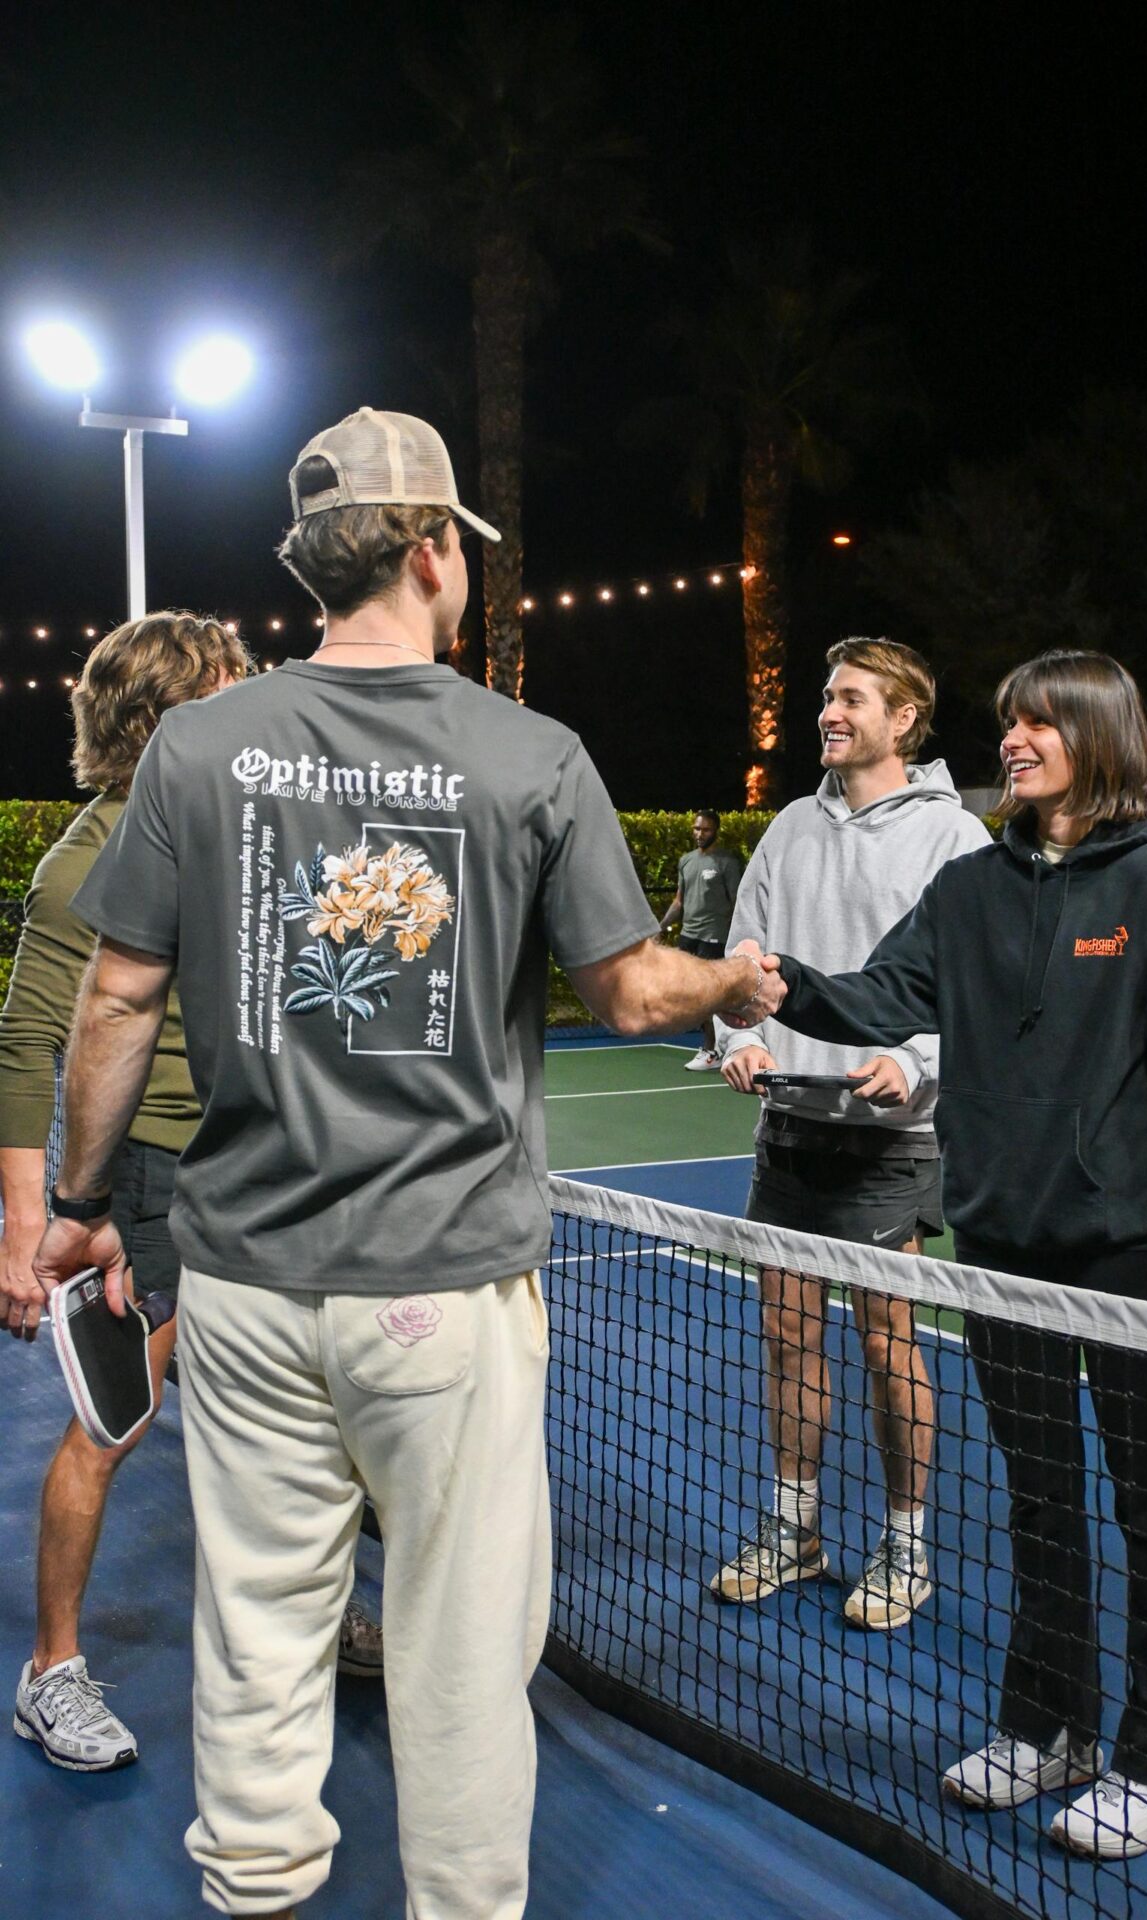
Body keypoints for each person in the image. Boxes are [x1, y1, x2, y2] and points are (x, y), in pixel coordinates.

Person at [30, 406, 772, 1920]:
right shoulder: (534, 756)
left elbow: (114, 998)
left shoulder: (198, 746)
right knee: (460, 1647)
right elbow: (634, 990)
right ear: (435, 551)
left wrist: (77, 1207)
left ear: (314, 565)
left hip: (243, 1285)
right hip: (448, 1295)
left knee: (257, 1629)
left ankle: (251, 1889)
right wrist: (738, 980)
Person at [734, 649, 1147, 1859]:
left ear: (1096, 737)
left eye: (1037, 726)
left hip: (1135, 1272)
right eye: (1007, 722)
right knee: (1036, 1501)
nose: (1011, 741)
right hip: (1000, 1257)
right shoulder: (974, 886)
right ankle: (1048, 1724)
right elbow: (873, 997)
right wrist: (770, 984)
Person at [0, 613, 263, 1771]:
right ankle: (51, 1672)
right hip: (154, 1185)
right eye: (230, 685)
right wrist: (26, 1230)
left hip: (264, 1172)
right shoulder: (84, 863)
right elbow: (25, 1042)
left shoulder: (246, 836)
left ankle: (295, 1624)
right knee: (112, 1426)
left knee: (284, 1421)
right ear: (167, 718)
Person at [709, 639, 991, 1628]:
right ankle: (795, 1530)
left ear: (901, 720)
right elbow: (742, 957)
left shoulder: (953, 838)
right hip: (788, 1130)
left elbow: (973, 983)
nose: (827, 712)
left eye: (849, 699)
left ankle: (904, 1547)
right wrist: (731, 1033)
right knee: (785, 1335)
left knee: (886, 1343)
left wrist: (912, 1063)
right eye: (826, 696)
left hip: (889, 1142)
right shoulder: (790, 827)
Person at [654, 809, 743, 1069]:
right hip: (688, 935)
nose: (699, 834)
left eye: (704, 829)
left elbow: (738, 900)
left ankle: (711, 1050)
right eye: (696, 829)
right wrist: (660, 926)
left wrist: (739, 934)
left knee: (708, 996)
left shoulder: (727, 862)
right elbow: (679, 901)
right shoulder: (686, 861)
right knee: (692, 994)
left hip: (714, 936)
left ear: (716, 830)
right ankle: (715, 1046)